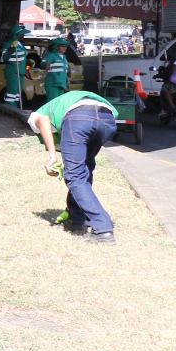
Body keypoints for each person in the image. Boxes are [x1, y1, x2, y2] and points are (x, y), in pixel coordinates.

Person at [28, 89, 118, 243]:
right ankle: (77, 219)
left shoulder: (36, 115)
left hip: (79, 118)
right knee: (84, 170)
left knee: (75, 176)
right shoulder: (60, 107)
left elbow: (42, 121)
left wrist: (52, 156)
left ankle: (103, 228)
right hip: (107, 118)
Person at [0, 25, 29, 108]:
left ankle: (15, 109)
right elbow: (3, 58)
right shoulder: (8, 44)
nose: (23, 36)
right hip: (12, 71)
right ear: (17, 35)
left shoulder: (20, 44)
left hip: (21, 71)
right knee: (12, 93)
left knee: (17, 94)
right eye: (22, 34)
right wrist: (11, 49)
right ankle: (9, 109)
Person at [41, 37, 72, 104]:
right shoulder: (51, 55)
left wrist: (67, 81)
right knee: (53, 103)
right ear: (56, 47)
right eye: (62, 46)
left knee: (59, 103)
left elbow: (65, 71)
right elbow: (43, 64)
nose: (65, 48)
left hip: (62, 84)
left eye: (65, 46)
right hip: (53, 84)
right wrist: (46, 65)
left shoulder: (64, 57)